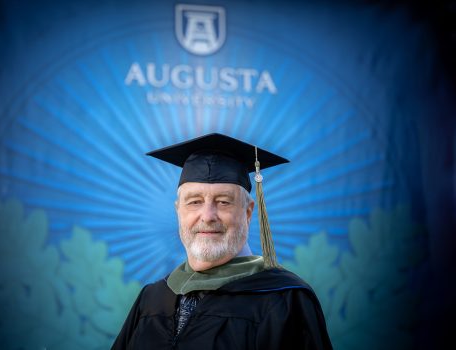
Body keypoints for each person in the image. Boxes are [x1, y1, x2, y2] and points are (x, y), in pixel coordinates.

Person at [112, 133, 332, 349]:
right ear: (178, 211)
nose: (207, 216)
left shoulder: (286, 300)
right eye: (194, 202)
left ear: (248, 212)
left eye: (224, 202)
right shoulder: (152, 298)